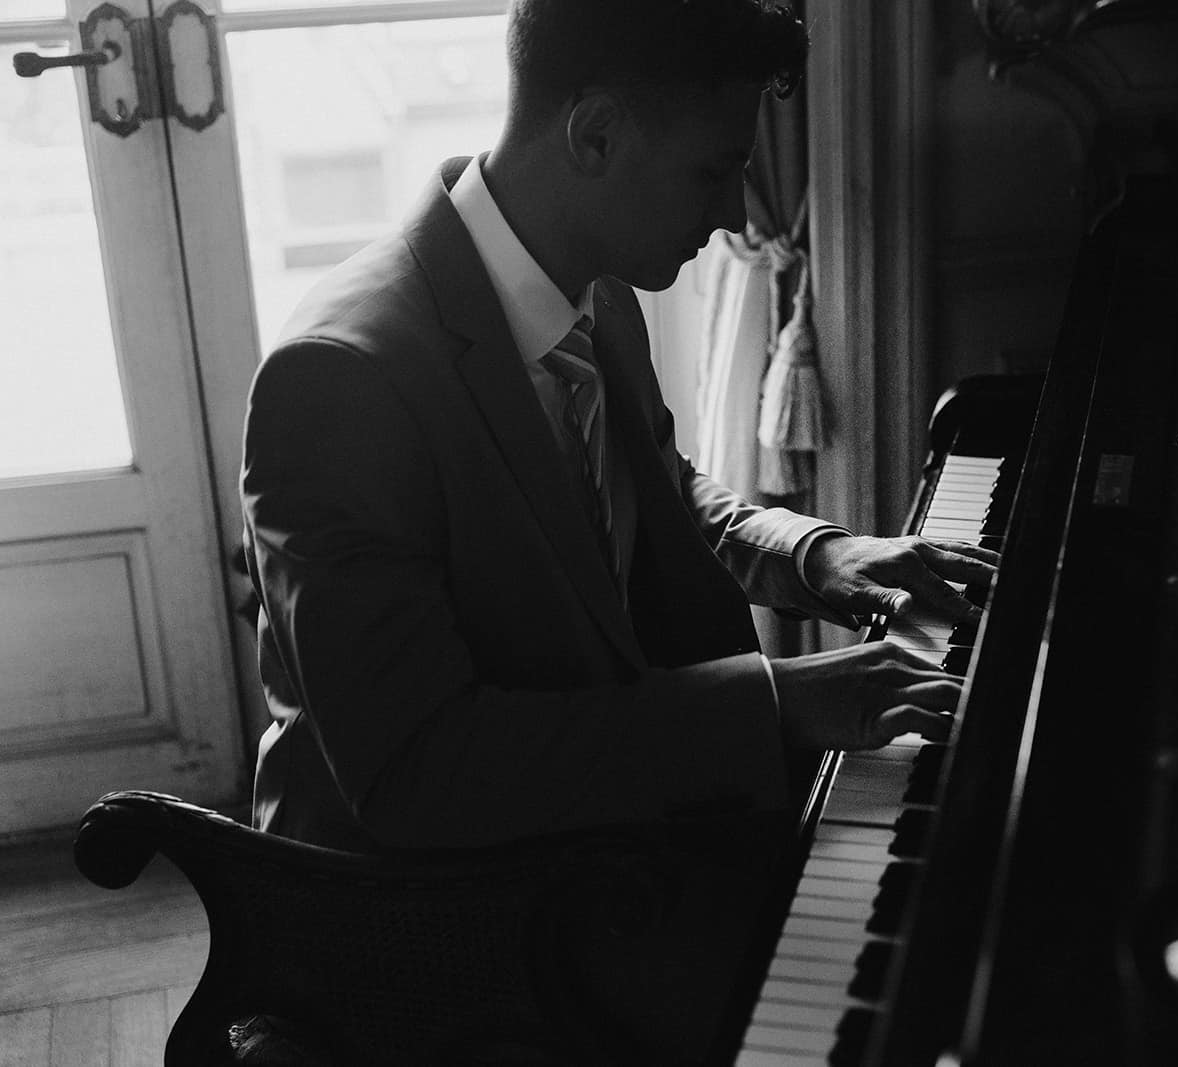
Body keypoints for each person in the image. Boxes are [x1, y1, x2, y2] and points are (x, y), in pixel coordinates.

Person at [238, 0, 995, 1058]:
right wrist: (778, 703)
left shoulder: (589, 284)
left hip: (578, 823)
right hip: (422, 907)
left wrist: (818, 555)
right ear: (593, 134)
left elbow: (646, 492)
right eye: (712, 169)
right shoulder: (339, 380)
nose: (736, 209)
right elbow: (419, 768)